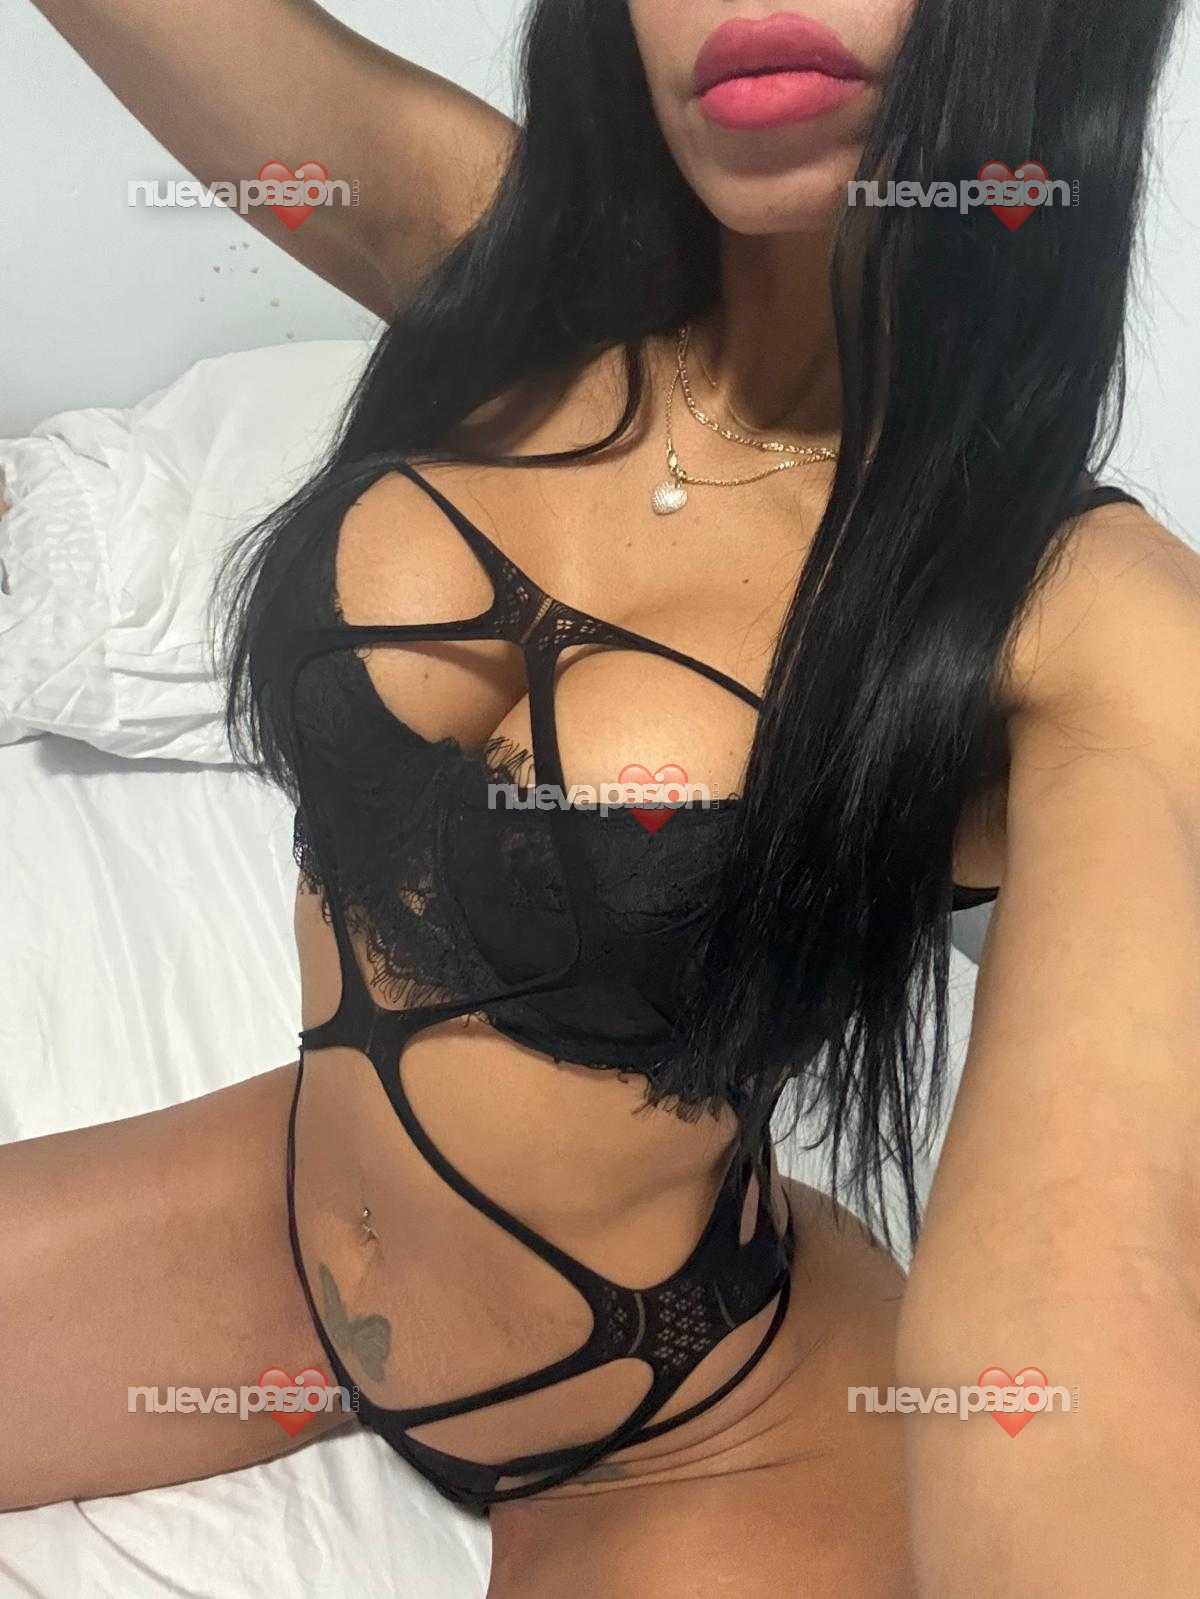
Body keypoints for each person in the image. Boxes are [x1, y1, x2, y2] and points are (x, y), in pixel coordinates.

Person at [5, 2, 1199, 1594]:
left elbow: (1085, 1308)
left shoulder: (1092, 622)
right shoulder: (510, 270)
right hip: (297, 1223)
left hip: (691, 1425)